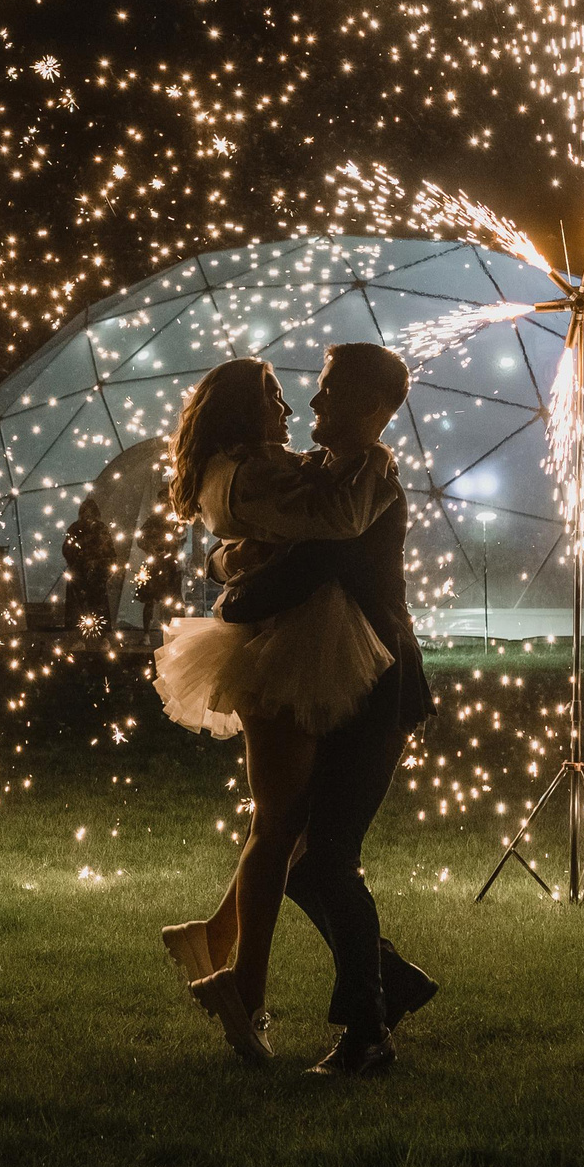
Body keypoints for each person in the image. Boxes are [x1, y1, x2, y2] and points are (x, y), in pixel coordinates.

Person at [148, 355, 404, 1065]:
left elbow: (275, 532)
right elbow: (328, 521)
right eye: (274, 398)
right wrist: (231, 567)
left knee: (289, 826)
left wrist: (227, 563)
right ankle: (246, 982)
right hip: (297, 650)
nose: (292, 409)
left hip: (304, 647)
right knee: (285, 828)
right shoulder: (260, 473)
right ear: (237, 410)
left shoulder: (249, 469)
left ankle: (224, 947)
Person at [208, 342, 439, 1078]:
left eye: (331, 393)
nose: (313, 405)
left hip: (382, 688)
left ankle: (368, 1033)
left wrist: (231, 595)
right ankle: (388, 985)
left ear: (372, 409)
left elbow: (310, 562)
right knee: (310, 858)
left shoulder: (367, 482)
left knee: (325, 859)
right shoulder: (341, 471)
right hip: (356, 689)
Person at [60, 495, 122, 635]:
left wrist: (99, 564)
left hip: (96, 574)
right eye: (84, 511)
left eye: (89, 511)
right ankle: (80, 637)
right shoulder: (75, 528)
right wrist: (77, 560)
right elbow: (67, 549)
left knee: (97, 604)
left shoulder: (99, 528)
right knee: (80, 606)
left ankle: (100, 636)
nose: (87, 515)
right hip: (79, 574)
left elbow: (108, 551)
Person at [130, 485, 183, 642]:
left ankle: (172, 635)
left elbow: (181, 538)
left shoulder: (177, 520)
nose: (165, 503)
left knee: (171, 602)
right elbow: (140, 538)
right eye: (162, 501)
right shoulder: (153, 520)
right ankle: (147, 635)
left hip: (171, 565)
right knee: (150, 600)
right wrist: (152, 549)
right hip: (155, 565)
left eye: (167, 500)